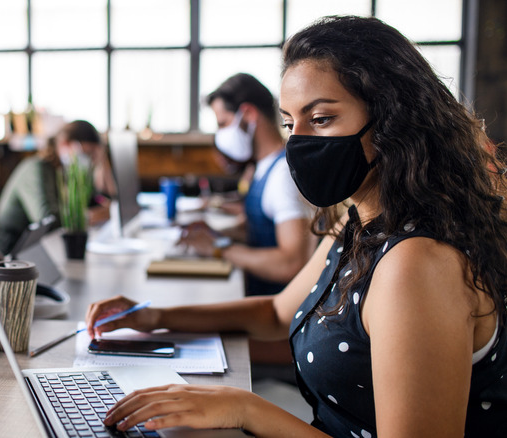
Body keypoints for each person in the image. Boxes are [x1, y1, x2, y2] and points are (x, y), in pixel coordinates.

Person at [86, 16, 507, 437]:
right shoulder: (359, 222)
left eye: (320, 119)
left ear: (392, 120)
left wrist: (246, 409)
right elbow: (274, 312)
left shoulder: (416, 263)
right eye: (290, 123)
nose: (298, 142)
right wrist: (155, 316)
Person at [185, 73, 317, 296]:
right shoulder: (263, 167)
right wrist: (216, 234)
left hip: (275, 314)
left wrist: (218, 249)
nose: (221, 134)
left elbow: (292, 262)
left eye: (223, 123)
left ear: (248, 114)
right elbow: (259, 230)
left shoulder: (284, 175)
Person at [0, 120, 116, 254]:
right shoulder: (35, 169)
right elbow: (46, 219)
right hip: (15, 252)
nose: (90, 161)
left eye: (95, 157)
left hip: (47, 249)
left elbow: (96, 200)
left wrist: (102, 165)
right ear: (65, 143)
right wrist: (90, 217)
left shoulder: (70, 173)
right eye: (88, 153)